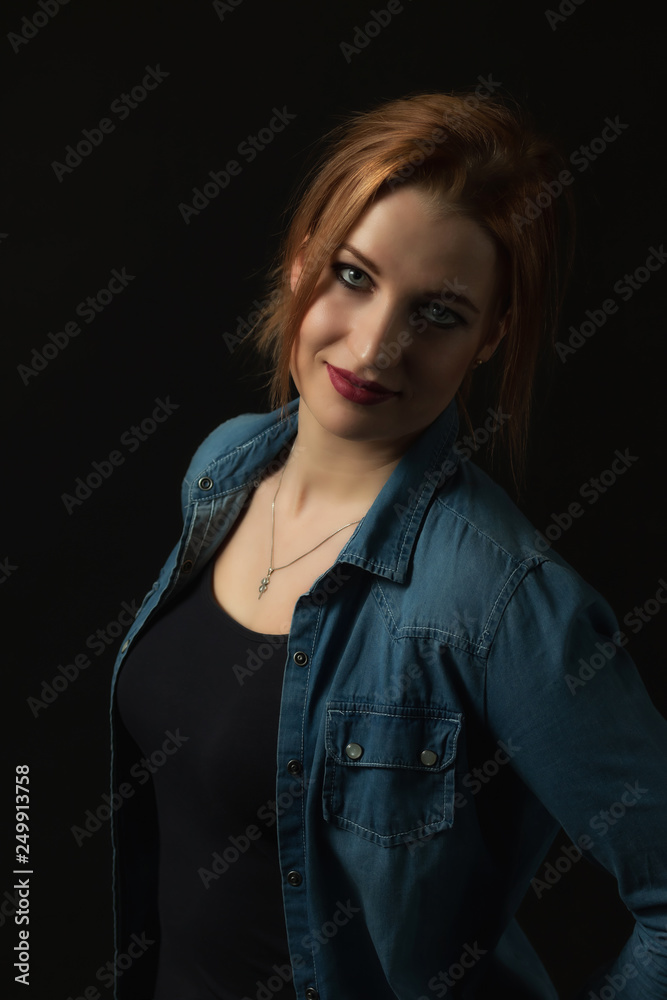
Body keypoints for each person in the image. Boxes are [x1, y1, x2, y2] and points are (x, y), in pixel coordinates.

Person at [110, 92, 667, 999]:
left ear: (489, 339)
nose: (374, 348)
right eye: (354, 276)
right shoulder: (222, 466)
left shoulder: (497, 599)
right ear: (300, 262)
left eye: (439, 314)